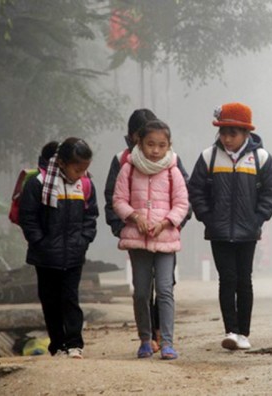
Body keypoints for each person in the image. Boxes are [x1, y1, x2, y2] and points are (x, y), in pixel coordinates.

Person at [188, 102, 272, 351]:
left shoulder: (261, 158)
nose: (227, 138)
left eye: (233, 133)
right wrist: (207, 217)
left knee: (244, 281)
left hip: (247, 233)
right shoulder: (208, 156)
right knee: (226, 280)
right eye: (223, 132)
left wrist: (257, 218)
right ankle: (230, 331)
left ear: (246, 133)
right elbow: (196, 190)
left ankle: (244, 333)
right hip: (218, 232)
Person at [104, 108, 191, 352]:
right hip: (136, 238)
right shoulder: (126, 166)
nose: (155, 150)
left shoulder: (173, 168)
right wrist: (129, 221)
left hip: (166, 239)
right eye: (149, 143)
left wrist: (169, 223)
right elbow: (115, 198)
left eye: (161, 144)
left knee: (165, 290)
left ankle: (166, 341)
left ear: (168, 145)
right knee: (141, 292)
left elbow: (184, 202)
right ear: (136, 140)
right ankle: (145, 339)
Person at [19, 138, 98, 359]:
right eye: (77, 168)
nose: (81, 174)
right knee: (50, 301)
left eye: (85, 169)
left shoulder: (85, 185)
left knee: (70, 298)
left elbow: (90, 217)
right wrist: (40, 242)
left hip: (74, 255)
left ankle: (74, 343)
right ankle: (57, 345)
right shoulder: (38, 184)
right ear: (62, 163)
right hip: (45, 257)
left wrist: (83, 240)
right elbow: (28, 218)